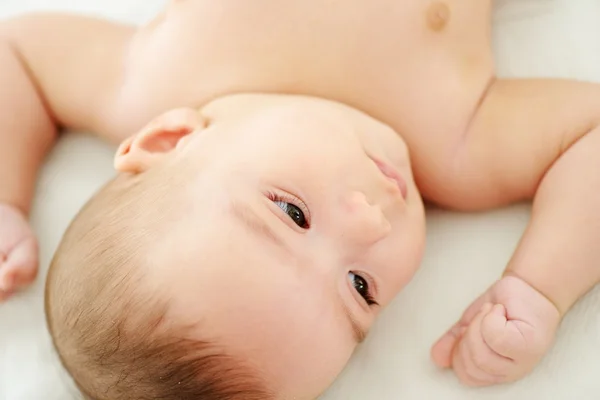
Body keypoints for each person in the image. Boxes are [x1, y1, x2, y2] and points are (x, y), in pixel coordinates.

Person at [0, 1, 599, 398]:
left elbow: (17, 52)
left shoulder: (150, 81)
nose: (371, 225)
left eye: (292, 213)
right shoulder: (456, 142)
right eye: (361, 288)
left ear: (168, 140)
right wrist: (539, 288)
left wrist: (7, 198)